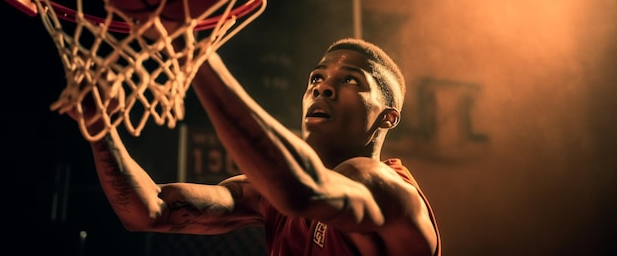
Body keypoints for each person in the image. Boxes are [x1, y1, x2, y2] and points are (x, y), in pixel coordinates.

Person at [69, 38, 441, 255]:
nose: (322, 87)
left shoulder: (386, 188)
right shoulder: (270, 199)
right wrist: (99, 128)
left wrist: (194, 48)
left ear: (387, 117)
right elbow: (150, 211)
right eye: (316, 78)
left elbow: (302, 191)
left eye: (350, 80)